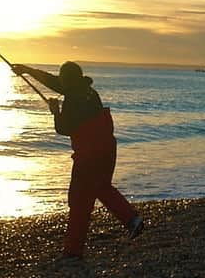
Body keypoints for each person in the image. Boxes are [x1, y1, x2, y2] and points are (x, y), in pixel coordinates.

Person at [12, 61, 144, 259]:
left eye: (63, 78)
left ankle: (73, 251)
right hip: (108, 149)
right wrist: (28, 70)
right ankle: (132, 219)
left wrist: (55, 112)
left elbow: (65, 129)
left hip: (89, 156)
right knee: (102, 187)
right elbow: (55, 83)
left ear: (68, 80)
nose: (60, 82)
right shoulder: (88, 92)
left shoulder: (73, 100)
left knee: (79, 200)